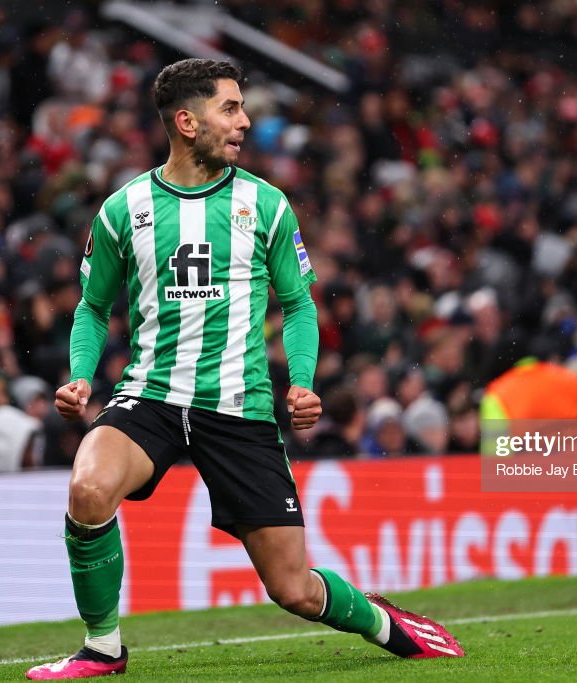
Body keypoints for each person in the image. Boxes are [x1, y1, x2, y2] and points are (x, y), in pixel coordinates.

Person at [26, 59, 463, 680]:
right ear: (186, 121)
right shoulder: (125, 209)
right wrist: (80, 374)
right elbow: (93, 309)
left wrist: (304, 380)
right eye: (229, 108)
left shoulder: (267, 205)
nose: (244, 121)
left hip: (240, 408)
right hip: (151, 395)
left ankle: (385, 622)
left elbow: (299, 306)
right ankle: (102, 648)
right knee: (88, 489)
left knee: (294, 591)